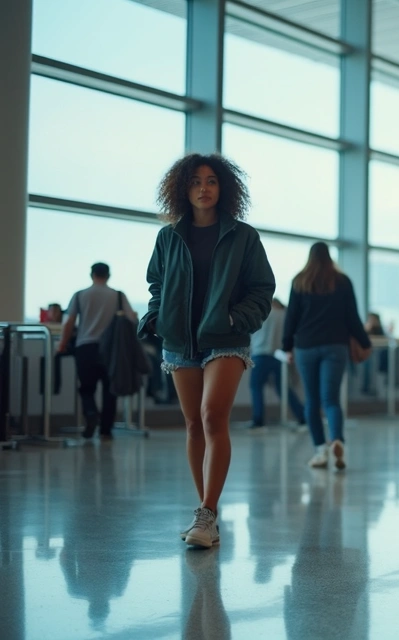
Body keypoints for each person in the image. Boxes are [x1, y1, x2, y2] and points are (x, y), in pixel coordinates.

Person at [139, 153, 275, 549]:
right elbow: (156, 286)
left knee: (212, 415)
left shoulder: (243, 236)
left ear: (224, 188)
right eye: (196, 181)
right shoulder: (168, 237)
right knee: (194, 425)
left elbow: (262, 289)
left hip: (225, 340)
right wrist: (156, 318)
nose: (203, 188)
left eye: (212, 181)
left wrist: (235, 320)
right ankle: (206, 510)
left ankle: (207, 512)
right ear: (183, 188)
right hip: (180, 341)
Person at [283, 242, 372, 471]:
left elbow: (291, 317)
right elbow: (352, 316)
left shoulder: (300, 281)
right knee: (331, 400)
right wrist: (364, 342)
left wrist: (287, 346)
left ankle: (320, 450)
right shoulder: (342, 281)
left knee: (311, 401)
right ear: (329, 256)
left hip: (306, 346)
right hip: (335, 346)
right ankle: (338, 440)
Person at [59, 263, 137, 439]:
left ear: (91, 275)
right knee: (110, 390)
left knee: (86, 388)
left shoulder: (80, 295)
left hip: (85, 346)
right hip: (111, 349)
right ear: (108, 275)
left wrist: (63, 343)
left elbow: (70, 321)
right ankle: (106, 430)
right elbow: (132, 318)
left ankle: (91, 414)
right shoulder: (117, 295)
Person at [248, 298, 305, 428]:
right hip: (279, 355)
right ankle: (302, 416)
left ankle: (258, 420)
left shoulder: (262, 313)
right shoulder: (285, 315)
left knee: (256, 387)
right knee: (283, 388)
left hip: (260, 354)